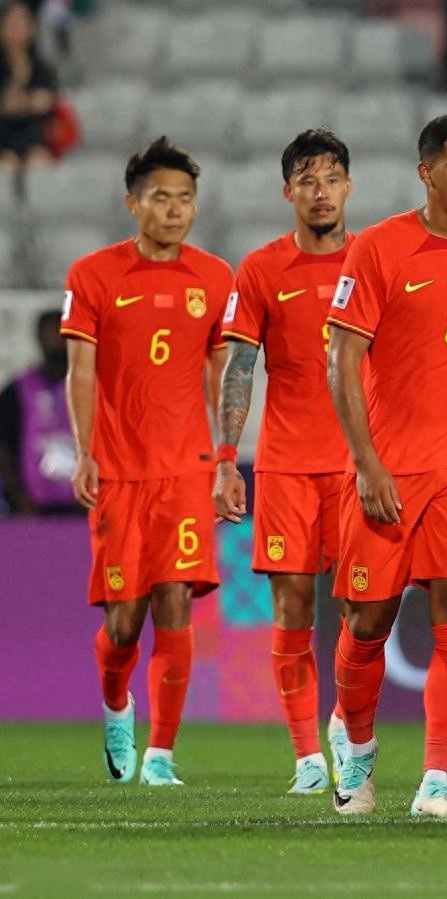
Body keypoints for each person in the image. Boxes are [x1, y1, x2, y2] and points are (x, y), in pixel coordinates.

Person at [325, 115, 447, 818]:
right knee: (367, 620)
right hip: (391, 465)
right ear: (427, 173)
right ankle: (356, 740)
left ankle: (437, 781)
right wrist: (366, 463)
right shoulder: (380, 248)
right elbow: (342, 359)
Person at [60, 136, 231, 787]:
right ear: (133, 203)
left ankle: (161, 754)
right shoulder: (93, 274)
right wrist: (84, 452)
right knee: (124, 620)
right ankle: (115, 703)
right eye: (161, 197)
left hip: (185, 469)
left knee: (176, 603)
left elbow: (221, 374)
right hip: (118, 471)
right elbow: (81, 372)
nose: (175, 209)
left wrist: (225, 459)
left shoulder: (214, 277)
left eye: (185, 197)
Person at [214, 128, 356, 794]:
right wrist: (225, 460)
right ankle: (306, 758)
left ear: (348, 186)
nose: (320, 192)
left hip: (359, 468)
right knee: (293, 610)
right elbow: (239, 368)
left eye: (330, 179)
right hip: (288, 466)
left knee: (363, 611)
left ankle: (346, 726)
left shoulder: (373, 262)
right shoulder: (261, 269)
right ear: (287, 192)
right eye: (307, 181)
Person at [0, 309, 77, 514]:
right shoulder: (17, 390)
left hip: (86, 506)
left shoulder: (98, 388)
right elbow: (4, 448)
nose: (56, 341)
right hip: (33, 507)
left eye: (61, 334)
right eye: (49, 335)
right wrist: (20, 498)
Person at [0, 0, 57, 170]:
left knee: (38, 164)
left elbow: (47, 101)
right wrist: (28, 102)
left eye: (23, 20)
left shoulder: (40, 65)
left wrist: (18, 103)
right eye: (13, 21)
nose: (18, 26)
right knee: (5, 166)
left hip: (33, 134)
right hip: (2, 134)